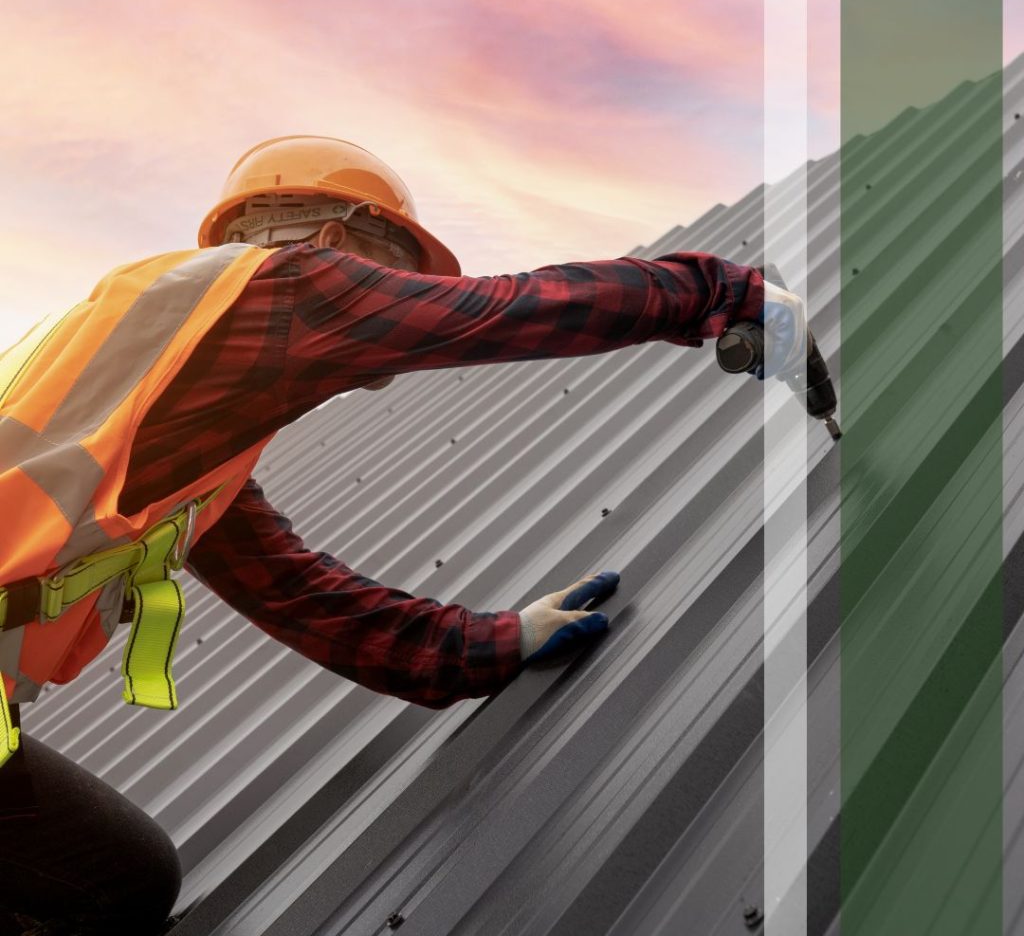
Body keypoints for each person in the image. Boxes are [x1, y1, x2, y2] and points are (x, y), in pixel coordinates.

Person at [0, 135, 801, 935]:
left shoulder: (158, 391)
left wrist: (489, 643)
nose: (405, 290)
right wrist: (722, 291)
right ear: (336, 242)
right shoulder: (280, 286)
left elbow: (297, 594)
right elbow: (501, 311)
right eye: (397, 267)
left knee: (118, 878)